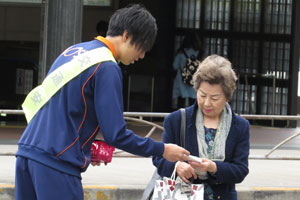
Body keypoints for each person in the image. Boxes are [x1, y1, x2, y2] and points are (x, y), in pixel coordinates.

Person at [15, 4, 190, 200]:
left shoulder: (74, 51)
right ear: (126, 35)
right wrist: (163, 149)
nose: (142, 56)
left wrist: (86, 145)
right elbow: (116, 135)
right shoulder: (107, 67)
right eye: (142, 48)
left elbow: (59, 110)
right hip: (56, 163)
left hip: (26, 153)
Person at [153, 55, 250, 200]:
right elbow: (159, 158)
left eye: (215, 98)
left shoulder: (240, 127)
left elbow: (240, 170)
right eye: (202, 95)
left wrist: (213, 168)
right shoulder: (177, 120)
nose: (206, 103)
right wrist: (177, 167)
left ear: (227, 97)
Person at [172, 32, 204, 109]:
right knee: (193, 104)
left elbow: (175, 66)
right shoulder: (199, 53)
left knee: (181, 103)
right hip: (194, 81)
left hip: (181, 80)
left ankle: (180, 119)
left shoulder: (181, 53)